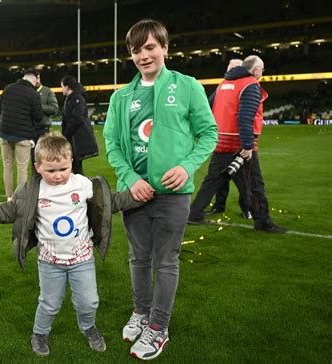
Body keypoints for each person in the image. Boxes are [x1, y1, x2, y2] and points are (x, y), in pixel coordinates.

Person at [103, 19, 218, 360]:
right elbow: (112, 144)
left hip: (173, 194)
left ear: (165, 48)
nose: (143, 56)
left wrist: (185, 166)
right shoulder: (122, 96)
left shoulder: (187, 86)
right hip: (133, 193)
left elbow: (209, 133)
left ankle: (158, 327)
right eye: (136, 50)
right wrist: (130, 179)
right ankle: (141, 312)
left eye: (150, 47)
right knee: (138, 257)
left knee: (165, 261)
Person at [0, 133, 140, 356]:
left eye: (63, 168)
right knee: (49, 303)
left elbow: (110, 202)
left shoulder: (82, 184)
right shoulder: (31, 191)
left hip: (82, 260)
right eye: (51, 171)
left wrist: (137, 196)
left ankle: (88, 327)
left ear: (71, 162)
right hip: (49, 263)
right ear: (37, 167)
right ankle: (40, 333)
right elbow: (6, 211)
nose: (58, 175)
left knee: (89, 301)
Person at [188, 55, 287, 233]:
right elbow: (245, 117)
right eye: (262, 69)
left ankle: (194, 213)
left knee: (212, 180)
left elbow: (208, 106)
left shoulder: (223, 85)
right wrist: (248, 146)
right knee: (254, 184)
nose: (262, 72)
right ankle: (262, 221)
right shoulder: (250, 85)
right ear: (256, 70)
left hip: (221, 141)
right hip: (238, 144)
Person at [205, 59, 252, 219]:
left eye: (234, 68)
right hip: (221, 141)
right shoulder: (222, 86)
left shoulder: (246, 86)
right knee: (220, 178)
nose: (231, 72)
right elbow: (208, 104)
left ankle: (248, 208)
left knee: (243, 180)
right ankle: (219, 206)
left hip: (238, 141)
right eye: (229, 68)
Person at [0, 69, 44, 200]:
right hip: (23, 135)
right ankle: (20, 198)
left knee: (7, 166)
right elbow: (38, 117)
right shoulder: (33, 93)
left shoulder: (8, 88)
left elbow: (0, 109)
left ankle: (9, 196)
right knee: (22, 167)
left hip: (5, 133)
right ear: (35, 80)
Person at [61, 76, 98, 175]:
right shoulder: (70, 98)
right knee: (74, 165)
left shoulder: (77, 98)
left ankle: (82, 187)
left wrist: (66, 133)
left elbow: (77, 117)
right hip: (72, 137)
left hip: (77, 137)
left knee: (76, 166)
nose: (61, 89)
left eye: (62, 86)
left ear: (67, 87)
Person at [30, 69, 59, 165]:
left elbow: (54, 108)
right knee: (32, 158)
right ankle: (35, 179)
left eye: (38, 78)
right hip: (29, 129)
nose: (36, 81)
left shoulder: (47, 91)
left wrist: (38, 106)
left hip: (43, 129)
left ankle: (45, 178)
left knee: (44, 157)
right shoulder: (27, 91)